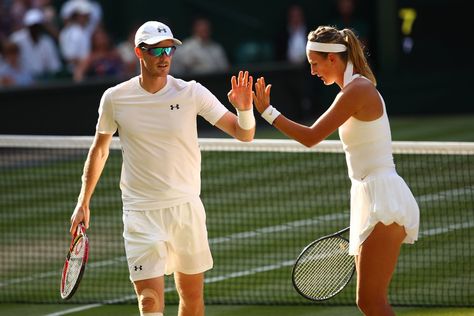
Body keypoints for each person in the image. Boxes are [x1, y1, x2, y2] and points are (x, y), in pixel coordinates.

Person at [69, 20, 255, 316]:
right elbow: (100, 149)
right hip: (140, 213)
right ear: (139, 53)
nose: (165, 56)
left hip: (185, 210)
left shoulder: (191, 92)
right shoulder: (115, 98)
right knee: (149, 302)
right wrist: (83, 201)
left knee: (192, 299)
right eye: (157, 51)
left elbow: (244, 133)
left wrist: (244, 110)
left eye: (169, 49)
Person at [251, 25, 419, 315]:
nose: (313, 71)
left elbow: (311, 136)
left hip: (383, 196)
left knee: (371, 302)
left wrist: (268, 112)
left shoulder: (357, 90)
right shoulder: (354, 89)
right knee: (369, 301)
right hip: (372, 194)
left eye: (315, 63)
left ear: (332, 59)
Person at [9, 8, 62, 80]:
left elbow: (54, 67)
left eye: (36, 26)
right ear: (27, 26)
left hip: (43, 80)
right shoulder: (16, 39)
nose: (34, 29)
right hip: (21, 79)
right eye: (32, 26)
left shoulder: (47, 42)